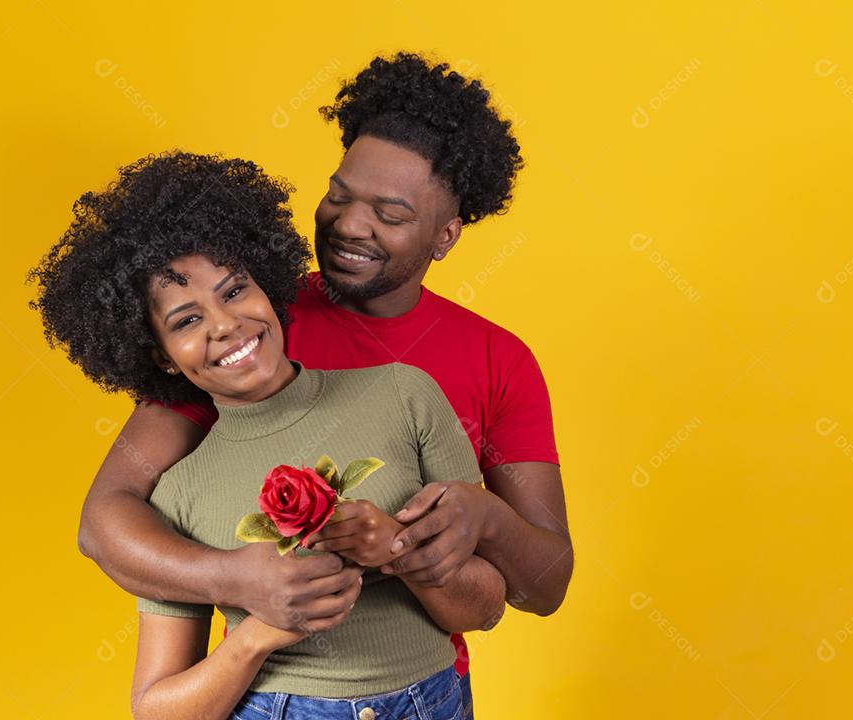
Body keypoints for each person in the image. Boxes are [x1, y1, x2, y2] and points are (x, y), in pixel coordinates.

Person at [76, 53, 573, 718]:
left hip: (426, 688)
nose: (349, 224)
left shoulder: (493, 361)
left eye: (390, 213)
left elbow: (542, 587)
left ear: (445, 235)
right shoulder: (252, 331)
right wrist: (242, 583)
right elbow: (105, 522)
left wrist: (483, 518)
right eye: (340, 195)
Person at [29, 151, 506, 718]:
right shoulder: (177, 493)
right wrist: (257, 633)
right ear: (162, 357)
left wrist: (398, 550)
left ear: (268, 283)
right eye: (186, 320)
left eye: (234, 291)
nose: (225, 324)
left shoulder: (406, 395)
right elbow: (157, 709)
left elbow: (485, 607)